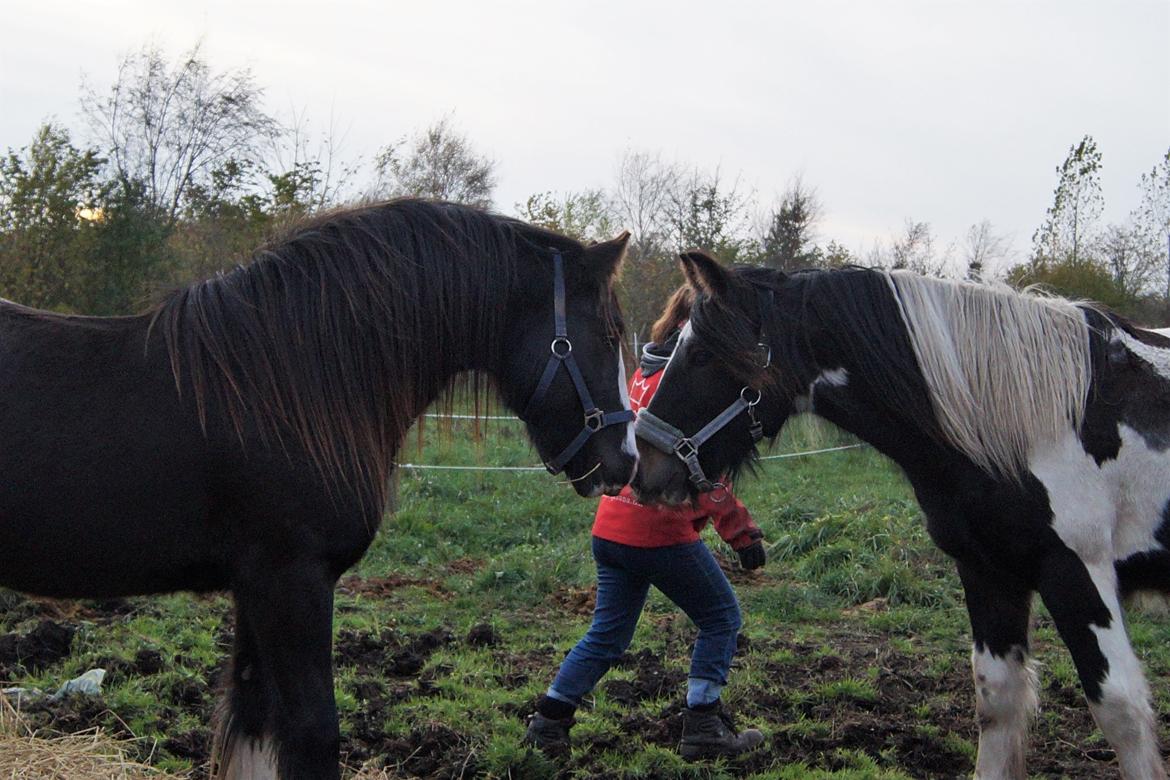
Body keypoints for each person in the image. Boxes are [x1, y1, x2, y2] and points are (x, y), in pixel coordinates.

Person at [525, 287, 767, 761]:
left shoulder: (643, 372)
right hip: (660, 530)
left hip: (612, 528)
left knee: (607, 635)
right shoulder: (685, 381)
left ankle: (548, 721)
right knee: (721, 618)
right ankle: (703, 725)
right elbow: (701, 471)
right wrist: (741, 533)